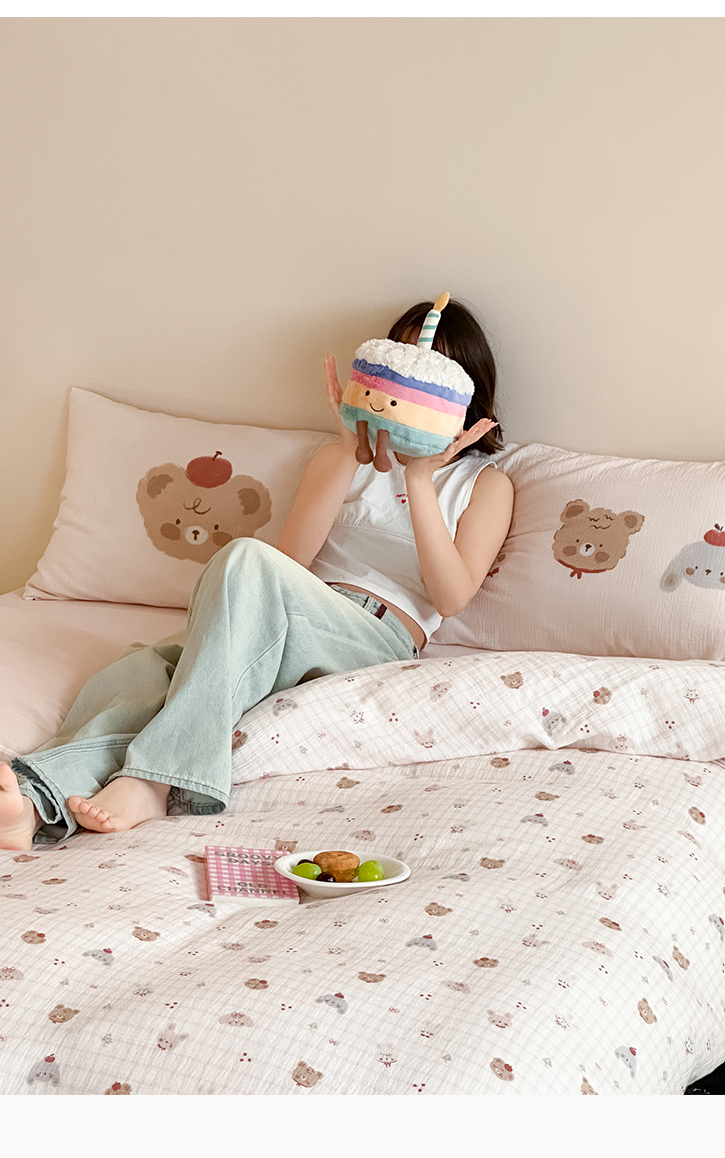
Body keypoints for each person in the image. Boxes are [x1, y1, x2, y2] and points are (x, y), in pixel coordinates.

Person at [0, 299, 514, 851]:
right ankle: (35, 801)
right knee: (147, 672)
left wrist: (419, 479)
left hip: (375, 635)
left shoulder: (486, 485)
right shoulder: (338, 459)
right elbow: (290, 562)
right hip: (283, 610)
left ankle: (155, 779)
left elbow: (451, 598)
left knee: (243, 560)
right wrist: (349, 450)